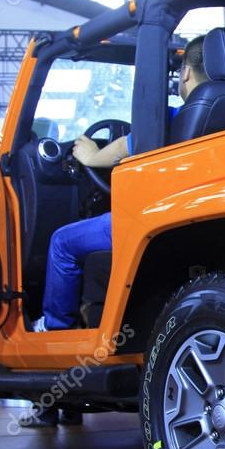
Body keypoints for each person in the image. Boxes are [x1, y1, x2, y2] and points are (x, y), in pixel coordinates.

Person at [34, 34, 207, 332]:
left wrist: (91, 156)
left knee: (62, 242)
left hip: (155, 220)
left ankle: (55, 327)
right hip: (203, 221)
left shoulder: (174, 118)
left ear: (186, 73)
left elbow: (126, 147)